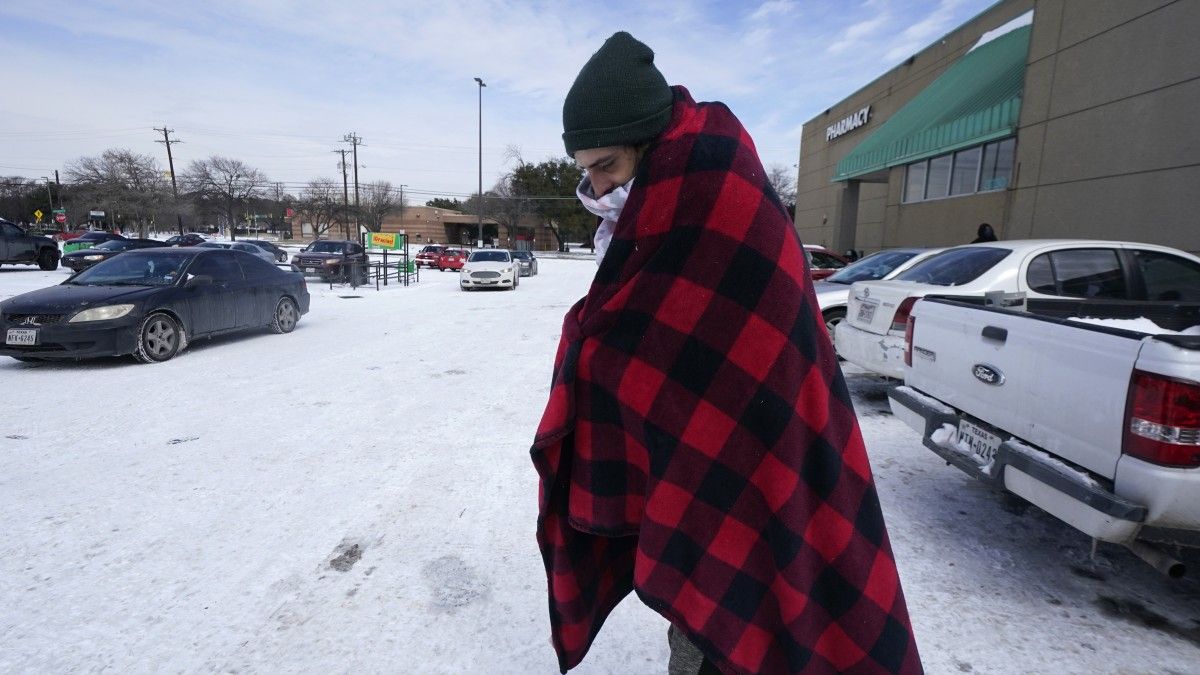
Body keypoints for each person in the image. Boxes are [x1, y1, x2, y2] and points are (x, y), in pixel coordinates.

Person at [531, 32, 921, 674]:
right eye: (585, 170)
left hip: (765, 449)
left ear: (647, 143)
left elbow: (706, 340)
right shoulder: (658, 208)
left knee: (753, 624)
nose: (595, 186)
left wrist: (594, 348)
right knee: (709, 617)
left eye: (607, 165)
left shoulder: (716, 197)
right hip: (700, 464)